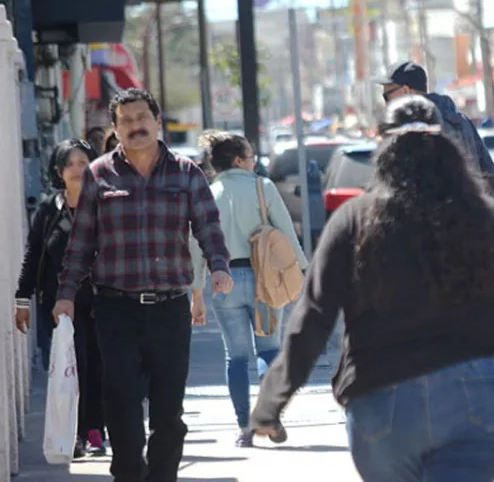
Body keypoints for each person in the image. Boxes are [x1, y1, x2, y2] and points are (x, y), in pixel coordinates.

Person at [250, 95, 494, 481]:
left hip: (382, 392)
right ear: (446, 147)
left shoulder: (354, 220)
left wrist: (272, 400)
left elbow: (314, 316)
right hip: (478, 389)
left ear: (384, 148)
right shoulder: (484, 215)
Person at [53, 88, 233, 482]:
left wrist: (219, 267)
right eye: (127, 121)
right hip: (116, 309)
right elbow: (81, 242)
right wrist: (66, 294)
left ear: (157, 121)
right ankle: (130, 474)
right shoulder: (99, 174)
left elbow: (209, 228)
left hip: (170, 310)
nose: (136, 126)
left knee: (169, 411)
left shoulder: (187, 173)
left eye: (142, 118)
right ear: (116, 129)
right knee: (122, 403)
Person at [190, 130, 308, 447]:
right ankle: (269, 416)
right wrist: (303, 269)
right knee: (269, 350)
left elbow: (196, 245)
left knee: (236, 357)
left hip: (223, 280)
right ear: (240, 160)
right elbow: (285, 230)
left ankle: (244, 428)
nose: (254, 162)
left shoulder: (207, 193)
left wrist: (196, 291)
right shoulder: (261, 186)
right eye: (252, 157)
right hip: (264, 279)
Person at [15, 139, 106, 458]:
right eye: (71, 164)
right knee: (72, 367)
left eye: (84, 162)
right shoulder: (48, 210)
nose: (78, 169)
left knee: (98, 366)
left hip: (102, 301)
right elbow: (34, 254)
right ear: (59, 171)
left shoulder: (105, 204)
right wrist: (22, 299)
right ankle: (77, 433)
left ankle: (95, 427)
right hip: (58, 306)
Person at [375, 61, 494, 196]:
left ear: (406, 90)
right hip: (466, 213)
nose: (386, 104)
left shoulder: (411, 131)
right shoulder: (462, 123)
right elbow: (491, 177)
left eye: (387, 96)